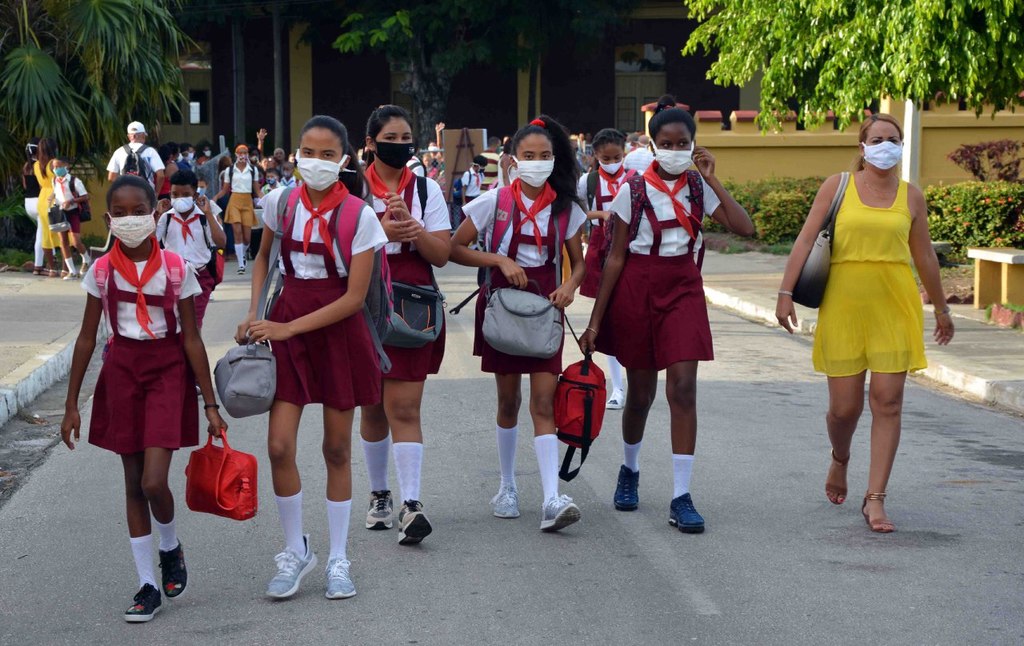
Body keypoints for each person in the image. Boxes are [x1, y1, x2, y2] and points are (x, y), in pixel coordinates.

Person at [579, 95, 754, 534]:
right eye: (667, 143)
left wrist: (714, 181)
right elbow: (615, 259)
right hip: (638, 287)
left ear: (694, 146)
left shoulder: (698, 187)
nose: (675, 150)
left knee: (683, 389)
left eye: (683, 144)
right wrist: (596, 322)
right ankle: (630, 469)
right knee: (640, 395)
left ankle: (681, 495)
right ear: (653, 145)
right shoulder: (632, 190)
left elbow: (744, 227)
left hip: (683, 288)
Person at [775, 113, 955, 533]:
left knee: (888, 402)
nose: (885, 145)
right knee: (844, 409)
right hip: (843, 304)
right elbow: (806, 239)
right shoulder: (837, 186)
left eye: (893, 138)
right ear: (862, 146)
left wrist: (943, 309)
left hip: (895, 304)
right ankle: (840, 458)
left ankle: (875, 499)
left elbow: (924, 255)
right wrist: (785, 293)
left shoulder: (912, 197)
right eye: (877, 138)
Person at [59, 174, 226, 623]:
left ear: (156, 214)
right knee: (133, 483)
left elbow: (192, 339)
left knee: (155, 481)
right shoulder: (101, 271)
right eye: (121, 213)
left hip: (167, 370)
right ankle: (147, 584)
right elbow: (87, 338)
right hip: (123, 372)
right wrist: (72, 403)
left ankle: (169, 545)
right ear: (109, 218)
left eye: (140, 212)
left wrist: (210, 405)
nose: (130, 220)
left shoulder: (176, 267)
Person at [235, 115, 388, 601]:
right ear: (294, 153)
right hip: (287, 319)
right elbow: (262, 257)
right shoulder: (280, 201)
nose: (315, 162)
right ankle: (295, 549)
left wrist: (285, 328)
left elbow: (354, 297)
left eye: (326, 155)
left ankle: (339, 558)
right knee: (279, 445)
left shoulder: (360, 215)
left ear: (343, 161)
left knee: (336, 449)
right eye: (307, 152)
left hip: (337, 332)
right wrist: (256, 312)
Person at [450, 115, 587, 532]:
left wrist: (570, 287)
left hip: (546, 303)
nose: (537, 162)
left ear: (554, 159)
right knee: (508, 401)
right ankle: (507, 486)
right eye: (529, 156)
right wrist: (497, 259)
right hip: (502, 301)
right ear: (513, 160)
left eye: (545, 156)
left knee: (544, 401)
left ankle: (550, 497)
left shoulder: (566, 209)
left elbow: (579, 264)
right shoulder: (493, 201)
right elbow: (453, 248)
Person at [359, 105, 451, 545]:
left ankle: (411, 504)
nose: (401, 145)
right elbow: (338, 247)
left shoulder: (427, 191)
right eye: (391, 138)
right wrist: (381, 230)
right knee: (372, 406)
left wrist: (414, 231)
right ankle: (379, 493)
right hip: (362, 298)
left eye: (406, 137)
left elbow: (441, 254)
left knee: (405, 406)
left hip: (412, 300)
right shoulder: (352, 188)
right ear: (372, 143)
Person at [576, 128, 634, 409]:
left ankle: (635, 380)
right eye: (606, 158)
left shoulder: (635, 179)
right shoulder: (588, 181)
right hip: (602, 245)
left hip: (632, 247)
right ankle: (618, 386)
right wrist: (602, 214)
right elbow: (579, 212)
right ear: (595, 156)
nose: (612, 162)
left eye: (617, 157)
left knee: (630, 314)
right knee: (607, 314)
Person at [156, 169, 227, 328]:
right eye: (175, 195)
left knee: (193, 325)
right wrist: (157, 214)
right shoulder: (165, 218)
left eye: (185, 194)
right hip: (171, 278)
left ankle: (194, 352)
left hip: (199, 277)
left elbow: (221, 242)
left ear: (195, 195)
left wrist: (208, 214)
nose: (179, 199)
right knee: (172, 323)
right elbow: (150, 245)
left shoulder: (204, 217)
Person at [215, 144, 261, 274]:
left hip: (247, 201)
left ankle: (242, 255)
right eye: (240, 153)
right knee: (237, 232)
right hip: (234, 200)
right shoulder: (230, 170)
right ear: (236, 154)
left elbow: (257, 190)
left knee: (247, 237)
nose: (242, 155)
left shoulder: (253, 170)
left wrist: (268, 199)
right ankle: (241, 264)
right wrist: (215, 197)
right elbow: (225, 190)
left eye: (245, 152)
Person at [51, 157, 92, 279]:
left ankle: (86, 259)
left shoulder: (74, 181)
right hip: (60, 213)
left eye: (58, 166)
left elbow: (85, 196)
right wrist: (52, 199)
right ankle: (71, 270)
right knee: (63, 242)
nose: (56, 169)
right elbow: (56, 193)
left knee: (75, 241)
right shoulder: (54, 181)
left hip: (73, 212)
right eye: (54, 167)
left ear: (66, 166)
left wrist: (72, 201)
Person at [106, 122, 166, 192]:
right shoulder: (150, 151)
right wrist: (155, 194)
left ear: (129, 136)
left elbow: (111, 177)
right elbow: (161, 175)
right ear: (143, 135)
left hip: (126, 193)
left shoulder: (119, 151)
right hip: (145, 193)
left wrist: (122, 187)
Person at [33, 137, 61, 277]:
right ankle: (66, 268)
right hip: (55, 198)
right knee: (62, 233)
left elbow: (40, 184)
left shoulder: (36, 165)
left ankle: (52, 269)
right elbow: (62, 182)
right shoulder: (53, 164)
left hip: (42, 199)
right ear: (52, 148)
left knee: (45, 235)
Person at [22, 138, 45, 275]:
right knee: (41, 235)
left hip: (28, 202)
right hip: (39, 202)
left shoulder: (26, 166)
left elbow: (25, 185)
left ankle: (51, 259)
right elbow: (43, 186)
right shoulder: (40, 166)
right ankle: (38, 266)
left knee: (44, 231)